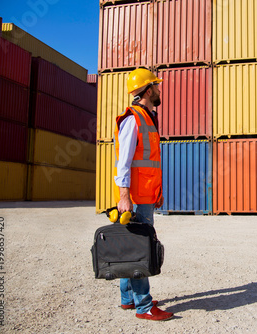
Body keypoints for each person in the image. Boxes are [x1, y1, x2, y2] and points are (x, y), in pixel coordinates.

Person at [113, 68, 173, 321]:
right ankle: (145, 306)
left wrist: (156, 192)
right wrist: (124, 195)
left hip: (145, 195)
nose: (159, 90)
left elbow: (149, 164)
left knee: (133, 246)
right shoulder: (133, 119)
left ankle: (128, 298)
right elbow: (123, 162)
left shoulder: (147, 117)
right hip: (135, 197)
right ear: (148, 90)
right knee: (140, 249)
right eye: (156, 86)